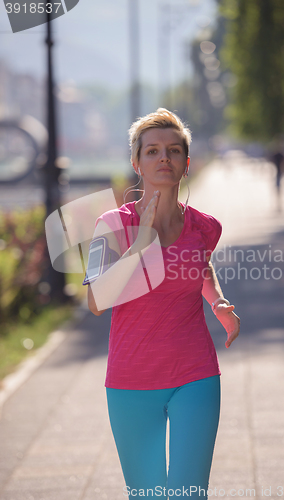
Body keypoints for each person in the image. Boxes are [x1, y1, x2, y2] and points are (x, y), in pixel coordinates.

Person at [84, 108, 240, 499]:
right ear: (136, 162)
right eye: (151, 151)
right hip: (131, 378)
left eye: (173, 150)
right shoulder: (110, 225)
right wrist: (140, 245)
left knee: (189, 493)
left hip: (196, 374)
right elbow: (96, 301)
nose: (163, 158)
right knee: (148, 495)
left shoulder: (205, 226)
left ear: (186, 164)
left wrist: (217, 300)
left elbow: (198, 266)